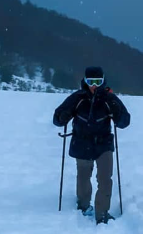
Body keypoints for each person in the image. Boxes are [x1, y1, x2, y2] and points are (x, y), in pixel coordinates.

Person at [53, 66, 131, 224]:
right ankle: (83, 206)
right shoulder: (78, 98)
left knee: (104, 179)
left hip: (103, 145)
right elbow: (57, 119)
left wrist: (117, 113)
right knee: (83, 178)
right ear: (85, 81)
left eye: (98, 81)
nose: (94, 85)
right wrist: (63, 116)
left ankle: (101, 214)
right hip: (82, 143)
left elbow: (124, 122)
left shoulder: (110, 99)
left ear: (103, 81)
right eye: (91, 81)